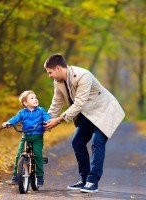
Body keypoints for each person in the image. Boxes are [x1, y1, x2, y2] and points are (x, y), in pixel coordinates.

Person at [43, 53, 125, 193]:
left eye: (50, 72)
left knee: (97, 142)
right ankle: (85, 179)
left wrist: (59, 120)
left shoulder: (83, 76)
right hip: (89, 113)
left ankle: (93, 182)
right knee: (77, 142)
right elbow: (56, 104)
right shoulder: (58, 82)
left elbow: (79, 104)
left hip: (105, 111)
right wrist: (45, 121)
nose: (49, 76)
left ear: (58, 68)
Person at [1, 90, 51, 185]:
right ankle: (15, 176)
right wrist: (8, 123)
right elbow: (15, 119)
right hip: (26, 136)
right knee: (19, 154)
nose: (35, 99)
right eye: (32, 98)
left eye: (35, 97)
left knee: (37, 155)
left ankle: (40, 176)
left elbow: (47, 117)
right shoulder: (22, 113)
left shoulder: (41, 111)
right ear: (25, 102)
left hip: (37, 137)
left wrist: (48, 121)